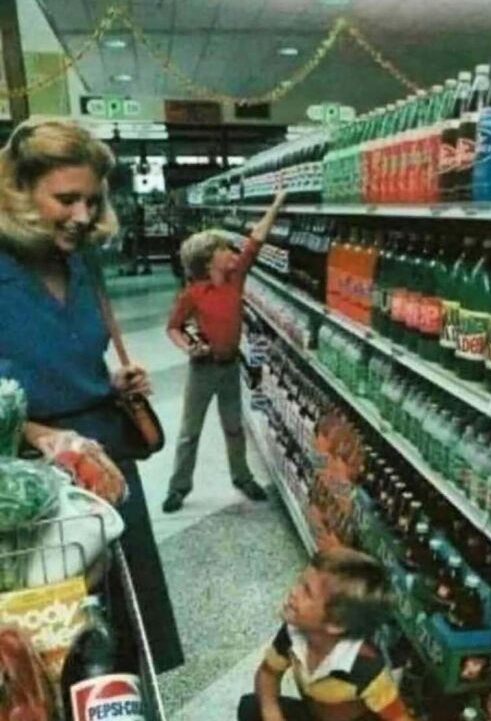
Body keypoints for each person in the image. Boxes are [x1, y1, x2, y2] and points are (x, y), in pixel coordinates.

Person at [0, 117, 184, 673]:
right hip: (26, 479)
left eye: (92, 200)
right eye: (65, 199)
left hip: (104, 460)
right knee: (47, 640)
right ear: (18, 191)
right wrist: (39, 433)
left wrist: (109, 383)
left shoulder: (82, 261)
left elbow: (70, 347)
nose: (82, 215)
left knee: (124, 624)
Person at [162, 191, 286, 513]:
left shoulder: (235, 279)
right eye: (223, 249)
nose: (232, 252)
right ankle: (178, 487)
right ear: (208, 261)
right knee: (190, 431)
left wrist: (276, 204)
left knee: (234, 427)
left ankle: (242, 477)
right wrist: (189, 347)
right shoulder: (192, 294)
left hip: (230, 367)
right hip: (202, 370)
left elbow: (255, 241)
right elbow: (173, 327)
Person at [238, 547, 415, 721]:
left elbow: (399, 717)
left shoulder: (368, 671)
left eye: (307, 592)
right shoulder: (294, 630)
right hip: (314, 713)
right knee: (250, 708)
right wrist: (272, 714)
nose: (293, 591)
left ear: (335, 623)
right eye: (300, 581)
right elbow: (268, 673)